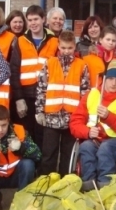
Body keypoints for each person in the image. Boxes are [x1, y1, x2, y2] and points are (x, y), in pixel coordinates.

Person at [69, 59, 116, 190]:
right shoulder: (91, 95)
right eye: (111, 78)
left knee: (105, 149)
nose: (114, 83)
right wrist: (87, 131)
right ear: (104, 78)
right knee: (85, 147)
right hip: (94, 139)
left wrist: (108, 117)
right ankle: (89, 185)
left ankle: (105, 186)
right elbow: (75, 122)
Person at [35, 30, 90, 176]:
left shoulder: (82, 66)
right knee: (48, 154)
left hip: (72, 119)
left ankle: (65, 185)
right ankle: (47, 183)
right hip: (51, 118)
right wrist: (39, 111)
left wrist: (83, 116)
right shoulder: (49, 63)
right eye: (64, 48)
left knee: (68, 155)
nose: (66, 51)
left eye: (70, 48)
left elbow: (85, 93)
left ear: (75, 48)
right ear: (58, 46)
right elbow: (41, 89)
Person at [9, 5, 59, 148]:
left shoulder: (54, 41)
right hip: (26, 97)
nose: (33, 23)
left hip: (47, 97)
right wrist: (18, 98)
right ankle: (30, 168)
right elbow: (14, 70)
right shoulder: (20, 41)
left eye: (36, 19)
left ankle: (42, 170)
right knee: (26, 136)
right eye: (30, 20)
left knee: (44, 137)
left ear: (43, 19)